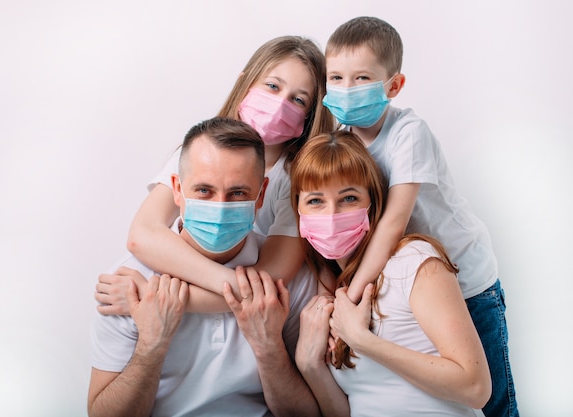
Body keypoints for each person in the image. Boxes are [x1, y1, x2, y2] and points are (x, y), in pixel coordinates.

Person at [320, 16, 518, 416]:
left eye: (361, 78)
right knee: (430, 384)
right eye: (336, 78)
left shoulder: (409, 132)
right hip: (416, 283)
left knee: (492, 396)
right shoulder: (344, 136)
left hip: (467, 280)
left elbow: (393, 221)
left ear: (393, 86)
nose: (346, 89)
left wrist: (350, 297)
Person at [88, 117, 320, 417]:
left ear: (261, 195)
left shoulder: (289, 281)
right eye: (204, 191)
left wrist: (269, 347)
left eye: (237, 193)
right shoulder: (128, 285)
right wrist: (151, 346)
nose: (220, 207)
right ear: (176, 189)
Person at [95, 35, 335, 314]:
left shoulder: (301, 180)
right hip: (231, 299)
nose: (280, 105)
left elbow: (269, 281)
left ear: (309, 114)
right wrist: (230, 282)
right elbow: (143, 235)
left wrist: (150, 298)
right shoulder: (200, 150)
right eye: (272, 86)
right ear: (245, 83)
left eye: (297, 99)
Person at [291, 131, 491, 416]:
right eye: (315, 201)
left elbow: (475, 388)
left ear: (372, 202)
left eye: (348, 198)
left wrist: (363, 341)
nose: (332, 215)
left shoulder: (412, 261)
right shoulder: (331, 295)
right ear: (297, 209)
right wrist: (309, 366)